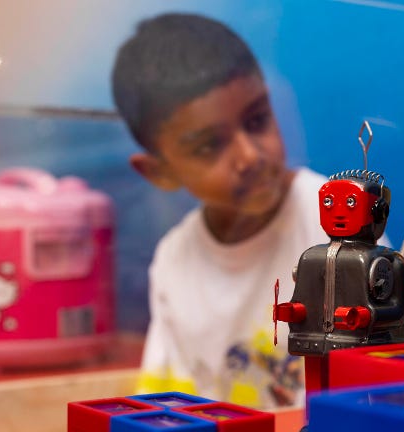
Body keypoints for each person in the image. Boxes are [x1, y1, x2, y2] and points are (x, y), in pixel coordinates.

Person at [110, 13, 330, 408]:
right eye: (210, 145)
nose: (249, 155)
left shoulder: (335, 217)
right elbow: (167, 408)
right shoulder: (173, 260)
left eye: (257, 120)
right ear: (159, 172)